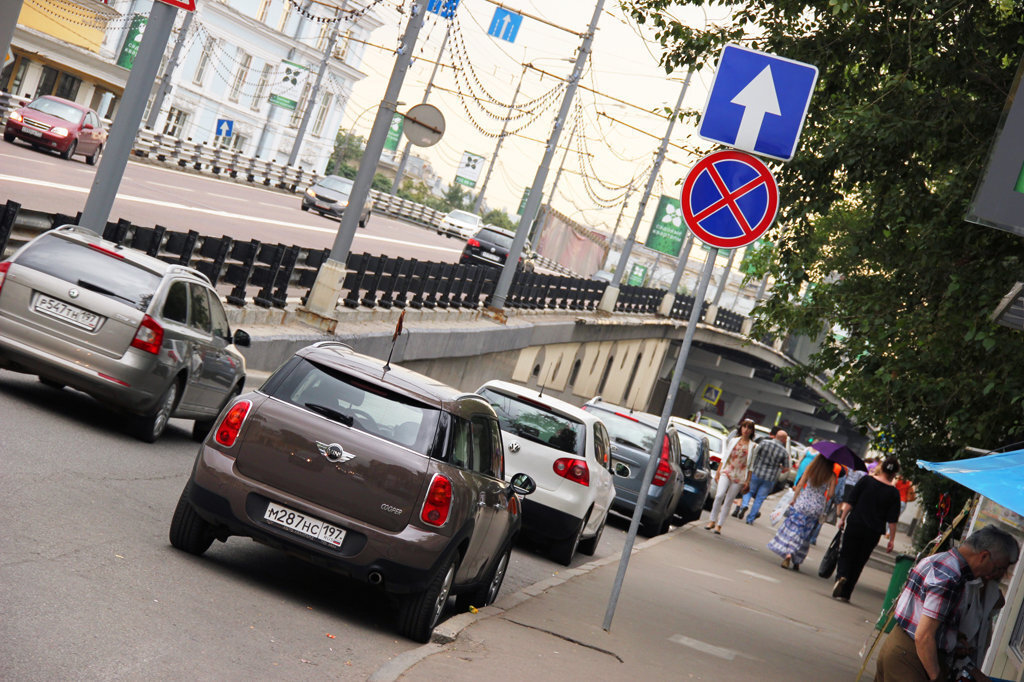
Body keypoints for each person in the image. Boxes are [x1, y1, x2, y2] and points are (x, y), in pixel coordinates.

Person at [875, 525, 1019, 682]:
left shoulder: (941, 561)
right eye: (998, 568)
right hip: (912, 657)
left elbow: (925, 620)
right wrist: (936, 676)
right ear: (983, 556)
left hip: (900, 648)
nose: (996, 574)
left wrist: (954, 639)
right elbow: (923, 636)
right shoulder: (950, 577)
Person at [832, 456, 902, 602]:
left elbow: (851, 501)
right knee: (859, 561)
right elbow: (892, 520)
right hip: (873, 531)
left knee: (846, 553)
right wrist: (892, 539)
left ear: (881, 468)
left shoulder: (866, 481)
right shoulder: (894, 493)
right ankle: (846, 594)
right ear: (895, 473)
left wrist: (842, 518)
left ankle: (841, 576)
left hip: (856, 524)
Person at [767, 453, 836, 570]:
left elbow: (799, 485)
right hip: (817, 507)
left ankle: (788, 554)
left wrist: (794, 499)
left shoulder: (810, 469)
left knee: (795, 530)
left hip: (803, 503)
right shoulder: (832, 475)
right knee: (806, 535)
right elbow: (830, 494)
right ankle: (797, 561)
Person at [706, 419, 755, 534]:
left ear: (752, 431)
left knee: (729, 500)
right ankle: (712, 520)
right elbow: (725, 457)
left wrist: (748, 481)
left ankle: (719, 525)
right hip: (727, 471)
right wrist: (718, 471)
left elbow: (751, 466)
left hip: (740, 475)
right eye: (744, 427)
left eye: (749, 428)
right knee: (719, 495)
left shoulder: (753, 446)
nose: (746, 430)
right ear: (741, 428)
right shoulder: (733, 440)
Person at [736, 427, 790, 523]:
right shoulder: (784, 452)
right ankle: (750, 519)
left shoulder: (764, 443)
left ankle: (744, 505)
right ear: (783, 439)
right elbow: (786, 468)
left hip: (756, 472)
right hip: (770, 478)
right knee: (759, 499)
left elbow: (754, 454)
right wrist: (779, 466)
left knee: (748, 491)